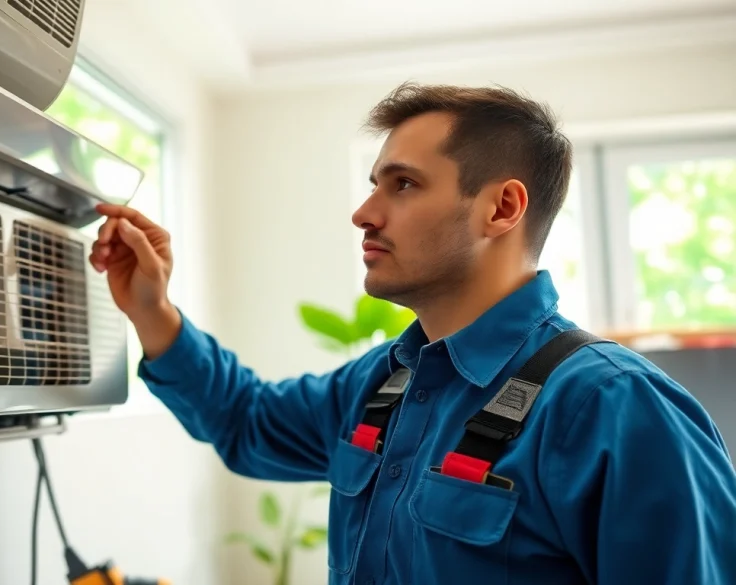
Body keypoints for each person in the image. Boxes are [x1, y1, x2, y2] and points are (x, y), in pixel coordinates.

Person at [87, 82, 736, 585]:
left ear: (502, 207)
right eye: (375, 184)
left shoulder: (615, 409)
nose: (364, 213)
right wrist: (153, 310)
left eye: (402, 184)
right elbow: (246, 421)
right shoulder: (383, 383)